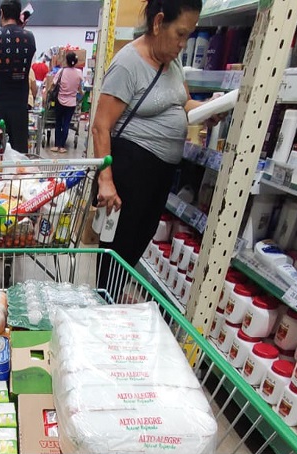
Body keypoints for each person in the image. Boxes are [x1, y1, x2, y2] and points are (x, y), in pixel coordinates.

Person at [91, 0, 209, 287]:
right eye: (180, 33)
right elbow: (100, 126)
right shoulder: (128, 64)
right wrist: (106, 181)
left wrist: (207, 109)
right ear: (158, 23)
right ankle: (103, 307)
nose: (184, 43)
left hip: (161, 173)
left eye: (189, 35)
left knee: (137, 244)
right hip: (131, 169)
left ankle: (112, 303)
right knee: (117, 249)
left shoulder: (173, 61)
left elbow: (181, 103)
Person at [0, 0, 36, 153]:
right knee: (19, 155)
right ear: (19, 15)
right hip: (19, 107)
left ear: (2, 13)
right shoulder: (29, 38)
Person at [48, 52, 84, 153]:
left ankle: (56, 145)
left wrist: (48, 92)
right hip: (71, 103)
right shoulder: (79, 73)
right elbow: (80, 89)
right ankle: (62, 147)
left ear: (66, 61)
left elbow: (53, 84)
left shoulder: (61, 71)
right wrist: (82, 93)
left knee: (58, 122)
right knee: (66, 124)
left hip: (60, 101)